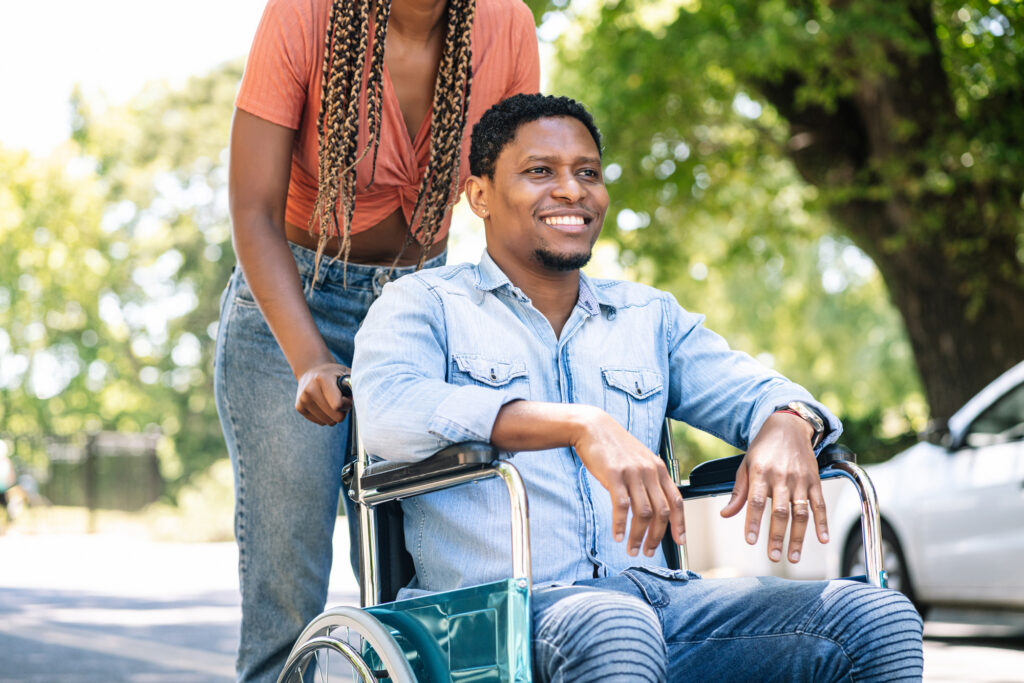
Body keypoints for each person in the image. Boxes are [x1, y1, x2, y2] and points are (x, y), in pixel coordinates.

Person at [352, 94, 924, 681]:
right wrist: (579, 424)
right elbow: (388, 413)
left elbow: (757, 389)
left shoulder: (649, 317)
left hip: (657, 604)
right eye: (540, 171)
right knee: (611, 626)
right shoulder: (423, 304)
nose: (573, 190)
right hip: (488, 615)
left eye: (589, 173)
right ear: (479, 196)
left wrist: (788, 420)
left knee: (874, 616)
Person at [213, 0, 539, 680]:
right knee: (287, 596)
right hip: (293, 306)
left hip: (420, 309)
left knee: (425, 586)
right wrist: (309, 358)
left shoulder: (506, 24)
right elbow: (252, 208)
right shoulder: (304, 14)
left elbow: (514, 199)